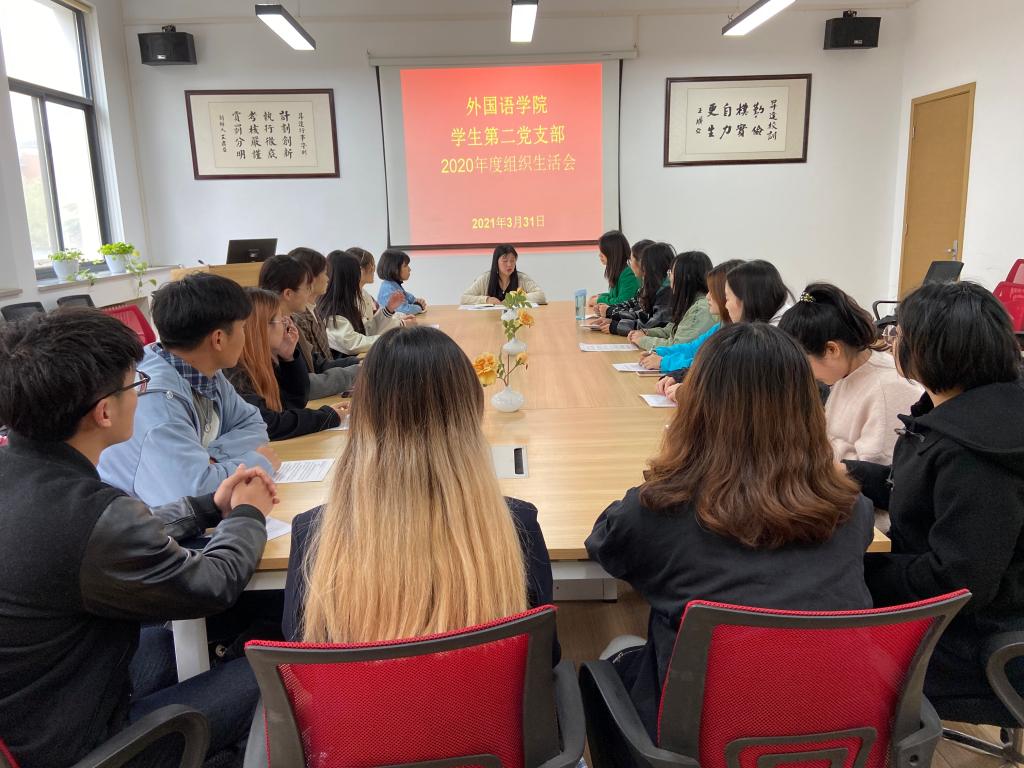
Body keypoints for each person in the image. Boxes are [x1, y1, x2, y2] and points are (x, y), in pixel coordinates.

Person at [0, 308, 277, 767]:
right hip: (77, 745)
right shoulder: (93, 513)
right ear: (104, 411)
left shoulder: (27, 475)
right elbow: (213, 585)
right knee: (277, 670)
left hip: (37, 710)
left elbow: (98, 541)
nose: (141, 395)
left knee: (179, 644)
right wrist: (248, 514)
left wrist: (205, 506)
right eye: (136, 385)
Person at [585, 323, 873, 751]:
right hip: (832, 729)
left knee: (617, 650)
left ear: (696, 407)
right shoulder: (853, 509)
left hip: (697, 737)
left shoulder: (661, 510)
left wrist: (668, 475)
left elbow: (606, 547)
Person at [284, 326, 555, 651]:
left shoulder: (314, 535)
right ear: (470, 413)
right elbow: (545, 654)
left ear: (363, 415)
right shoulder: (516, 525)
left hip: (361, 687)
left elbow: (301, 650)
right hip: (481, 687)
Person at [843, 282, 1024, 724]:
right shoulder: (976, 412)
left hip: (977, 642)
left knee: (820, 637)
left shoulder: (975, 452)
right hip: (981, 616)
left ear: (929, 351)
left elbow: (956, 580)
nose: (891, 343)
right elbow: (926, 497)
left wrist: (856, 570)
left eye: (898, 334)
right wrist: (850, 473)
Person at [98, 274, 280, 505]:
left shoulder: (206, 372)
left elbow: (253, 423)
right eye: (243, 327)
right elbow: (191, 493)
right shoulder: (158, 403)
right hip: (141, 520)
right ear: (218, 339)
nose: (245, 336)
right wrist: (258, 462)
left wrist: (213, 457)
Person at [779, 283, 922, 463]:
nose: (802, 373)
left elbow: (874, 469)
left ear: (832, 350)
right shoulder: (846, 372)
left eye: (803, 364)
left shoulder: (888, 389)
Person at [225, 289, 347, 441]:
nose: (286, 326)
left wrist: (289, 358)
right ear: (261, 328)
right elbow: (268, 424)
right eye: (281, 321)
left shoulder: (265, 362)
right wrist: (326, 416)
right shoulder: (236, 372)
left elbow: (295, 402)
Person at [260, 252, 358, 398]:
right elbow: (302, 385)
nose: (310, 291)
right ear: (288, 294)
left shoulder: (289, 322)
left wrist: (357, 363)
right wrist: (357, 372)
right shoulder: (272, 330)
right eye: (306, 287)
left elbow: (316, 363)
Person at [641, 258, 745, 378]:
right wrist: (660, 352)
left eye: (712, 291)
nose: (707, 296)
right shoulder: (721, 326)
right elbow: (693, 348)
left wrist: (663, 361)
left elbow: (707, 366)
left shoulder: (740, 337)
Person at [321, 250, 407, 355]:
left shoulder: (350, 300)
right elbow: (353, 344)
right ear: (346, 277)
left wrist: (388, 310)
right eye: (357, 273)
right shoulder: (333, 308)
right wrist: (390, 339)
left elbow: (367, 330)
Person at [630, 251, 716, 351]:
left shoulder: (700, 309)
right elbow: (673, 330)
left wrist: (642, 340)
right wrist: (647, 333)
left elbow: (677, 347)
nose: (669, 277)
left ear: (685, 277)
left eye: (671, 273)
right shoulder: (690, 301)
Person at [590, 242, 674, 336]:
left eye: (631, 260)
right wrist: (613, 318)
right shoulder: (652, 287)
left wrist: (613, 319)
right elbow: (640, 313)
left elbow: (653, 325)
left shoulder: (665, 291)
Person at [460, 244, 547, 305]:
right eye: (505, 261)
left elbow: (541, 296)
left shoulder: (522, 278)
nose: (509, 264)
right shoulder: (485, 279)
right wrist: (486, 299)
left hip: (516, 321)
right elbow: (464, 298)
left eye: (512, 260)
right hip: (490, 319)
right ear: (496, 262)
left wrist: (516, 298)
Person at [723, 259, 793, 326]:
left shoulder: (770, 332)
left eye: (727, 299)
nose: (726, 306)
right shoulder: (786, 319)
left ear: (747, 299)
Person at [588, 231, 639, 316]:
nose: (599, 255)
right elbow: (615, 296)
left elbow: (622, 302)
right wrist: (600, 296)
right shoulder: (619, 271)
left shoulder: (628, 274)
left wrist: (599, 300)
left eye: (602, 251)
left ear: (613, 252)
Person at [376, 248, 427, 316]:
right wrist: (419, 306)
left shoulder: (393, 285)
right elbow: (404, 310)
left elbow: (408, 297)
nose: (409, 269)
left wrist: (417, 301)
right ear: (395, 269)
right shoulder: (388, 289)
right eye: (405, 266)